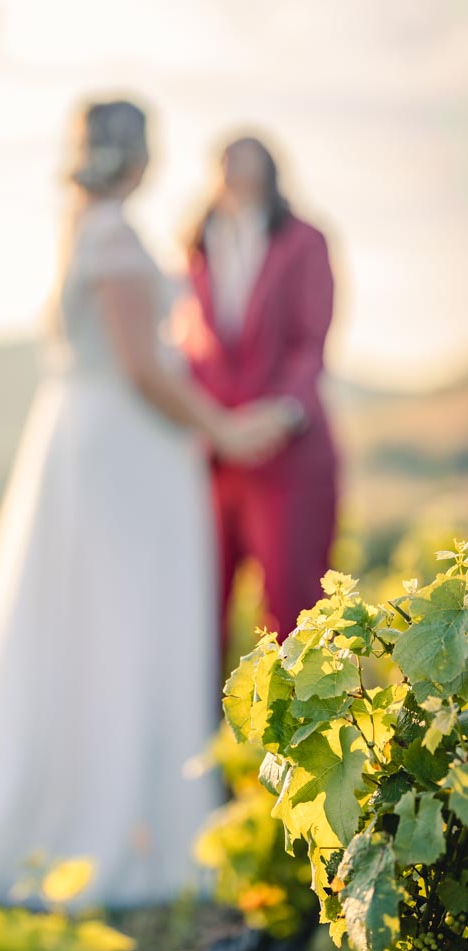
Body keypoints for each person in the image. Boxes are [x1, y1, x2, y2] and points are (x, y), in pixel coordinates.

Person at [0, 102, 289, 909]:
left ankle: (96, 811)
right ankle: (121, 828)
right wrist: (227, 430)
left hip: (88, 444)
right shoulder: (113, 234)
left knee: (86, 625)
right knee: (123, 625)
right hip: (125, 455)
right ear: (135, 155)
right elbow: (143, 368)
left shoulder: (82, 223)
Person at [177, 134, 338, 650]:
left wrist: (281, 414)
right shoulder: (196, 244)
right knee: (197, 613)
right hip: (211, 456)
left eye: (250, 164)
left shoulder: (305, 240)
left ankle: (300, 727)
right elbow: (191, 345)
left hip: (286, 452)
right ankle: (201, 728)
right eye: (227, 164)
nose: (237, 175)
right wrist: (207, 423)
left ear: (272, 172)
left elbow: (311, 341)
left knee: (293, 616)